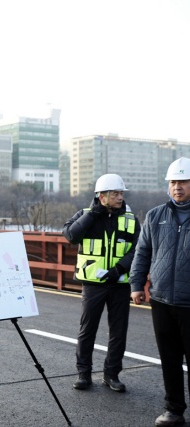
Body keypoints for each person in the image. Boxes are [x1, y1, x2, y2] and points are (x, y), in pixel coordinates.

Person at [63, 173, 141, 392]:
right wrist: (93, 215)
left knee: (119, 331)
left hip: (119, 283)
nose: (120, 197)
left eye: (121, 193)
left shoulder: (130, 218)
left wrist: (119, 269)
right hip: (93, 284)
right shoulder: (84, 215)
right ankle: (83, 374)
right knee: (87, 329)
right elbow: (70, 235)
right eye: (115, 193)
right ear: (101, 196)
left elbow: (139, 248)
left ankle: (111, 374)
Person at [130, 157, 190, 427]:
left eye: (184, 181)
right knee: (169, 359)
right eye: (174, 182)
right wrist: (136, 285)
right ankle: (174, 410)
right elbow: (142, 253)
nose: (178, 187)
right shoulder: (155, 216)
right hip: (162, 300)